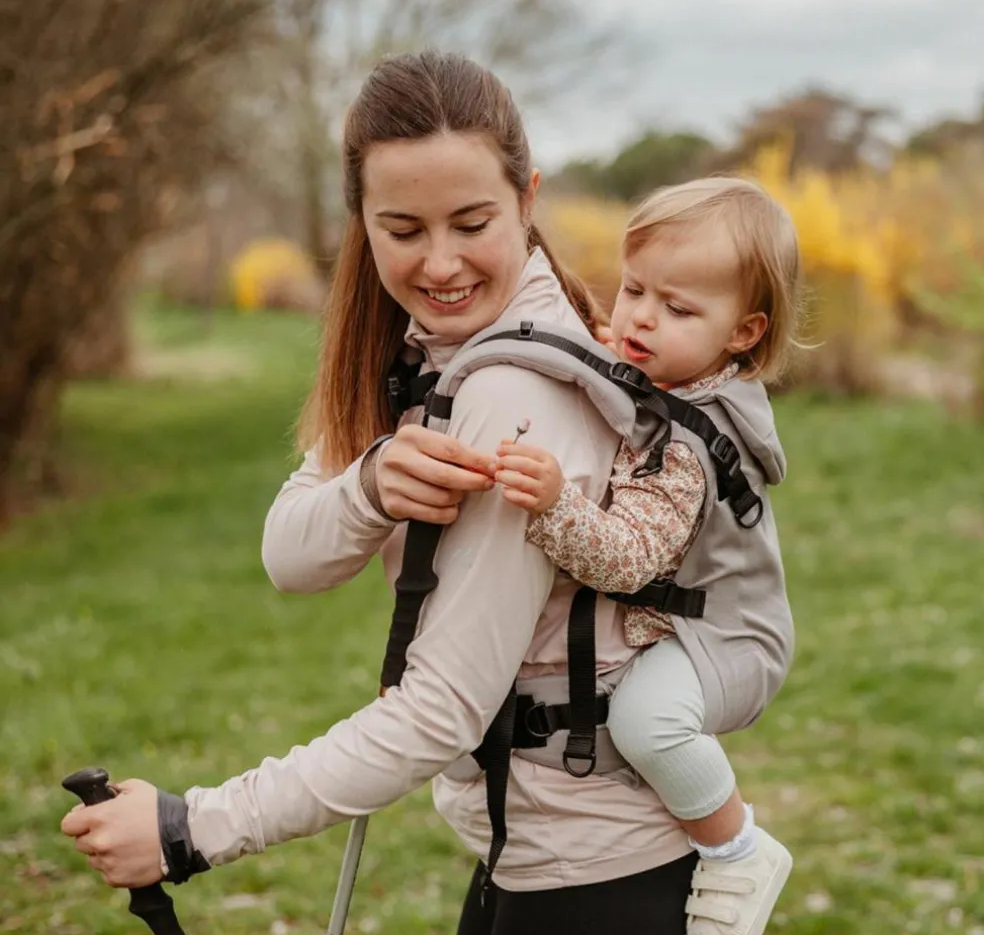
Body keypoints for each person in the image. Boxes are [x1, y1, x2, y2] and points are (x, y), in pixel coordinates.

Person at [61, 51, 738, 935]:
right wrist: (373, 484)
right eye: (404, 229)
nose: (440, 261)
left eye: (470, 221)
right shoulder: (417, 360)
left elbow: (440, 712)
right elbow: (289, 556)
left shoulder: (517, 394)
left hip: (599, 884)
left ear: (528, 199)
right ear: (363, 224)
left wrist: (192, 828)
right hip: (525, 863)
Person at [494, 177, 800, 934]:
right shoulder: (666, 366)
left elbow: (629, 557)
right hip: (699, 624)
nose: (639, 318)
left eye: (679, 308)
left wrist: (555, 503)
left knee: (646, 720)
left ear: (744, 332)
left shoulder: (689, 450)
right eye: (634, 289)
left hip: (727, 637)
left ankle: (736, 851)